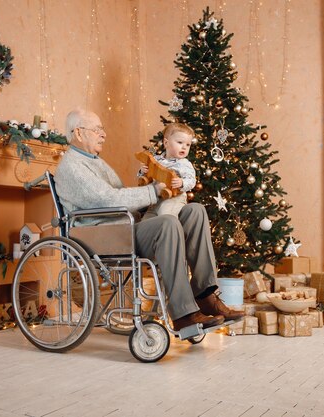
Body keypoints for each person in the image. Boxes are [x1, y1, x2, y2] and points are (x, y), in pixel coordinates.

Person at [55, 109, 244, 331]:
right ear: (78, 132)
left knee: (195, 211)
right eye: (97, 130)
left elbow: (117, 195)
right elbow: (108, 199)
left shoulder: (93, 161)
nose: (103, 134)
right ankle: (183, 313)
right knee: (167, 223)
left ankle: (204, 294)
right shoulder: (73, 166)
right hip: (105, 235)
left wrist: (152, 186)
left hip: (124, 227)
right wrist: (153, 191)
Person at [138, 123, 196, 219]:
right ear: (166, 143)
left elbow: (191, 180)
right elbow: (143, 178)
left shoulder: (184, 164)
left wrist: (182, 182)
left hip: (173, 198)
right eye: (180, 142)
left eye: (188, 144)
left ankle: (171, 232)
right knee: (146, 221)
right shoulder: (155, 160)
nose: (184, 147)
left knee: (166, 217)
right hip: (155, 199)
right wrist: (142, 171)